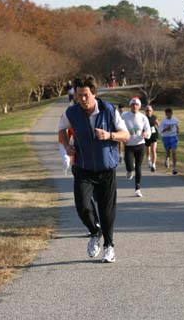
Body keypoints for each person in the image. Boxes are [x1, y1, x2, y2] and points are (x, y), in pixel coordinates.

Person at [58, 74, 129, 263]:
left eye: (86, 95)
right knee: (82, 206)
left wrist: (109, 135)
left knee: (107, 211)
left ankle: (109, 246)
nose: (82, 99)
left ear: (94, 93)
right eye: (78, 95)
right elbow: (62, 130)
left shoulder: (108, 110)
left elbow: (126, 135)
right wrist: (67, 146)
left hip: (106, 169)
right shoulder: (71, 112)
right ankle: (95, 232)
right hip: (83, 167)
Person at [122, 96, 151, 197]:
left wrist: (146, 134)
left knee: (138, 167)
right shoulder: (124, 116)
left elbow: (148, 130)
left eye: (137, 104)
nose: (135, 106)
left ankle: (138, 188)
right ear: (130, 105)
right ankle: (129, 170)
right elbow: (118, 126)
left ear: (139, 106)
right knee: (129, 166)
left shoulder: (143, 117)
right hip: (129, 145)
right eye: (133, 104)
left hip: (140, 144)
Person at [159, 108, 179, 175]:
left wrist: (177, 129)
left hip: (173, 137)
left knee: (174, 152)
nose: (169, 114)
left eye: (170, 113)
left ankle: (174, 168)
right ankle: (167, 159)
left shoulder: (175, 120)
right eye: (167, 113)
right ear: (165, 114)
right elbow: (160, 131)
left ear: (172, 113)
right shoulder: (163, 121)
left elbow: (177, 127)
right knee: (168, 152)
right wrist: (166, 129)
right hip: (166, 137)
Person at [144, 105, 159, 172]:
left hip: (154, 135)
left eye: (150, 110)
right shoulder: (143, 118)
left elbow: (158, 124)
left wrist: (162, 131)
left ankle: (153, 165)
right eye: (147, 110)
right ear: (145, 111)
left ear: (152, 111)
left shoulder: (154, 117)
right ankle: (149, 160)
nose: (149, 112)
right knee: (148, 150)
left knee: (153, 150)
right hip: (147, 136)